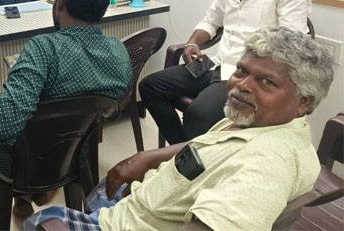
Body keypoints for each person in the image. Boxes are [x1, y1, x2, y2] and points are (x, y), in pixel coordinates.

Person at [26, 27, 334, 231]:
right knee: (103, 188)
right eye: (242, 71)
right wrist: (148, 157)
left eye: (266, 82)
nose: (242, 86)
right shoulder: (257, 121)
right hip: (149, 198)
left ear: (304, 101)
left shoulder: (265, 166)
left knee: (40, 221)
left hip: (128, 223)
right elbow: (210, 146)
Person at [0, 0, 132, 215]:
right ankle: (38, 191)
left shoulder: (43, 48)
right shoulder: (119, 51)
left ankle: (24, 194)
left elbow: (5, 128)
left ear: (60, 1)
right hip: (76, 152)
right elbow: (113, 107)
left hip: (23, 162)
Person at [139, 0, 312, 143]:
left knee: (197, 116)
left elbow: (293, 46)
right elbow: (210, 22)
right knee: (150, 86)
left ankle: (188, 153)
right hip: (213, 64)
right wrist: (192, 43)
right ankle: (182, 150)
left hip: (246, 75)